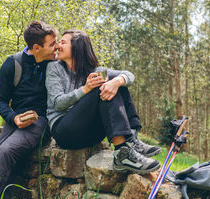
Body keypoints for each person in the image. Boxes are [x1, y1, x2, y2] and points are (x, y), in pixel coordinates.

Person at [46, 29, 161, 174]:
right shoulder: (54, 68)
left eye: (62, 42)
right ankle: (122, 154)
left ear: (77, 47)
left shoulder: (94, 70)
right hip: (64, 132)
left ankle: (131, 140)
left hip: (89, 134)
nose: (57, 46)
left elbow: (129, 75)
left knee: (116, 84)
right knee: (103, 85)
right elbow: (57, 103)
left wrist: (118, 81)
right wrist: (85, 89)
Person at [0, 21, 58, 199]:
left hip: (41, 123)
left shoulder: (56, 65)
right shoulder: (13, 63)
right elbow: (0, 99)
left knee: (6, 151)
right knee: (5, 159)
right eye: (52, 44)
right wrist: (14, 118)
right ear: (36, 48)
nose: (57, 47)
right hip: (16, 122)